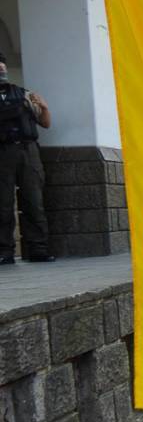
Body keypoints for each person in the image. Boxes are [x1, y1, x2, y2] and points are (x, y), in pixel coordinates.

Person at [0, 52, 54, 264]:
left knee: (34, 201)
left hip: (27, 150)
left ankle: (38, 249)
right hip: (3, 152)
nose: (1, 70)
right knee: (3, 205)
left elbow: (46, 123)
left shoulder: (24, 95)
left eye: (2, 66)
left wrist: (45, 107)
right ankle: (5, 252)